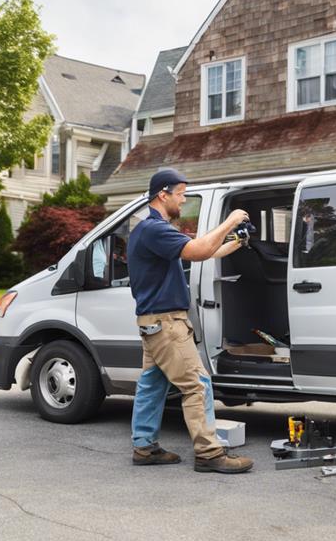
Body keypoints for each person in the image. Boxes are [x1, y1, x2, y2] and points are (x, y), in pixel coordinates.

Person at [128, 167, 254, 474]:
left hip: (153, 322)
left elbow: (205, 251)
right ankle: (209, 454)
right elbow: (198, 250)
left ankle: (144, 447)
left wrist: (236, 241)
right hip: (167, 324)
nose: (183, 201)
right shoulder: (155, 230)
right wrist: (231, 219)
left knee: (152, 384)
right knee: (197, 384)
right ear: (163, 194)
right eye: (181, 194)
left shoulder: (150, 230)